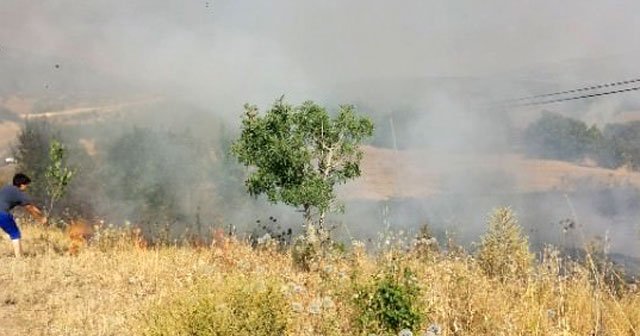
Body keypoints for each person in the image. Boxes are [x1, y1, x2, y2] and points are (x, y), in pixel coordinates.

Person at [0, 173, 47, 257]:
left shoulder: (7, 188)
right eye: (26, 185)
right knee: (15, 233)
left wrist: (41, 213)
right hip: (2, 213)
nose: (27, 187)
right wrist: (40, 219)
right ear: (22, 185)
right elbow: (29, 208)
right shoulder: (19, 193)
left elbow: (31, 206)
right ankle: (19, 258)